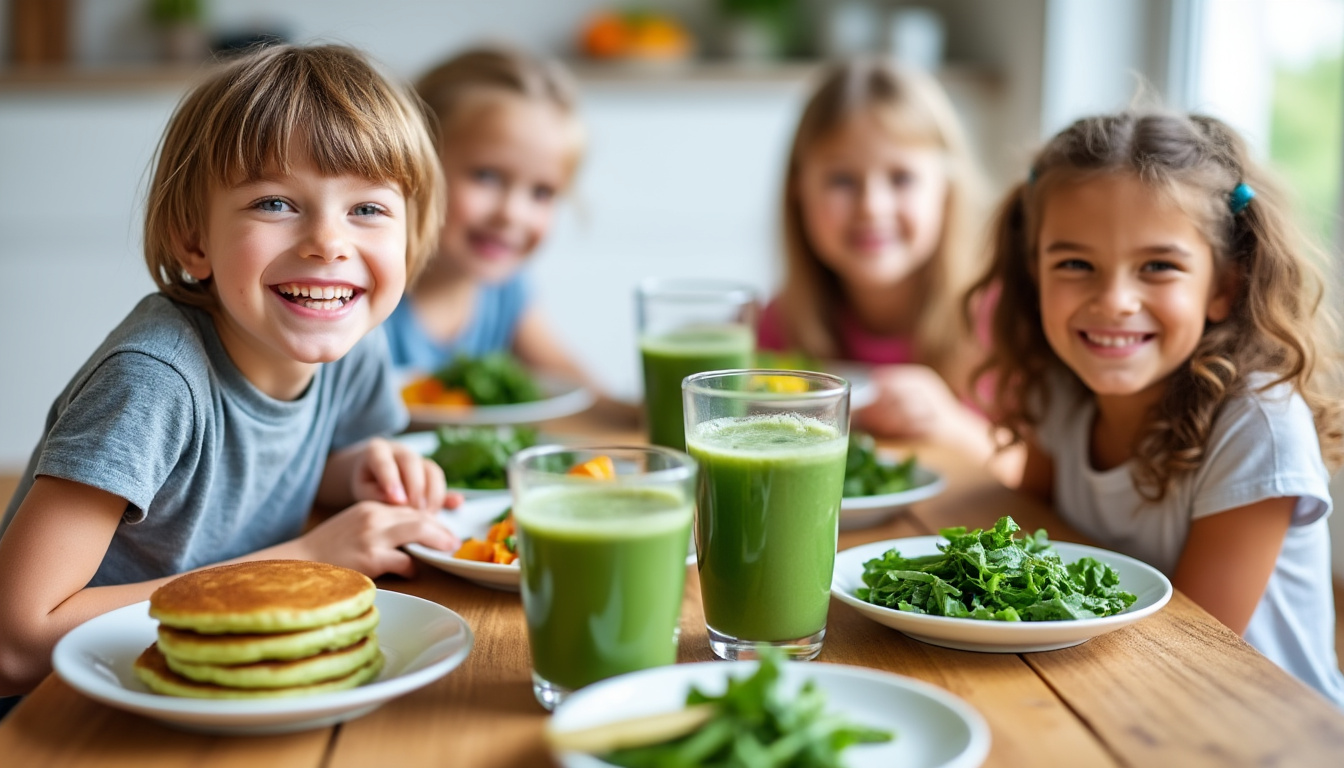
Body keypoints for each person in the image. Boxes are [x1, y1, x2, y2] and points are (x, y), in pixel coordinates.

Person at [0, 44, 461, 697]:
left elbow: (264, 469)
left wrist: (357, 470)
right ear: (194, 241)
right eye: (275, 203)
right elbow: (14, 644)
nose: (329, 243)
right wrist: (308, 560)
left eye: (367, 209)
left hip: (218, 681)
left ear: (410, 240)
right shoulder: (154, 382)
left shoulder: (350, 341)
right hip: (61, 715)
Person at [969, 108, 1344, 706]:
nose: (1115, 300)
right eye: (1074, 264)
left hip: (1264, 729)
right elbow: (1027, 537)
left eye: (1158, 267)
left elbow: (1188, 653)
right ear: (1033, 272)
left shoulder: (1259, 427)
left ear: (1223, 286)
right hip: (1108, 688)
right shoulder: (1058, 387)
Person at [758, 57, 1010, 474]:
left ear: (947, 190)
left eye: (901, 179)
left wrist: (951, 424)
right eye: (842, 180)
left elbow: (1037, 478)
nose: (872, 207)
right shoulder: (782, 324)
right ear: (798, 189)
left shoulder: (997, 319)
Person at [385, 45, 613, 407]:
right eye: (486, 176)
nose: (512, 214)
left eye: (542, 192)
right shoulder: (364, 289)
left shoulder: (504, 290)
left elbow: (574, 387)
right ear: (412, 164)